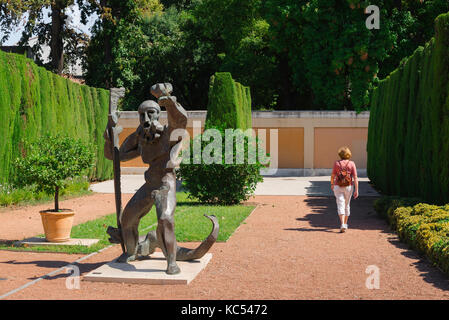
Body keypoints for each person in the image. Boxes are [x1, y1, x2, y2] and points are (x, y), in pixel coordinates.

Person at [103, 83, 187, 274]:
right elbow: (116, 155)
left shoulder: (168, 134)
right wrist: (109, 135)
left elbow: (181, 122)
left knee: (165, 218)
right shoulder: (138, 137)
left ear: (158, 114)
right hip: (150, 184)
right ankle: (131, 252)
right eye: (142, 115)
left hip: (165, 184)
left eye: (151, 113)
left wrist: (169, 103)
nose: (146, 119)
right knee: (127, 218)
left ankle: (171, 263)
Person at [330, 146, 358, 233]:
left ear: (340, 154)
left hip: (338, 186)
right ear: (348, 154)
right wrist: (356, 189)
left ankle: (342, 224)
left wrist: (332, 184)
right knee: (347, 205)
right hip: (348, 186)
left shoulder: (336, 163)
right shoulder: (352, 163)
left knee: (340, 203)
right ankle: (345, 224)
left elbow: (333, 175)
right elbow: (355, 177)